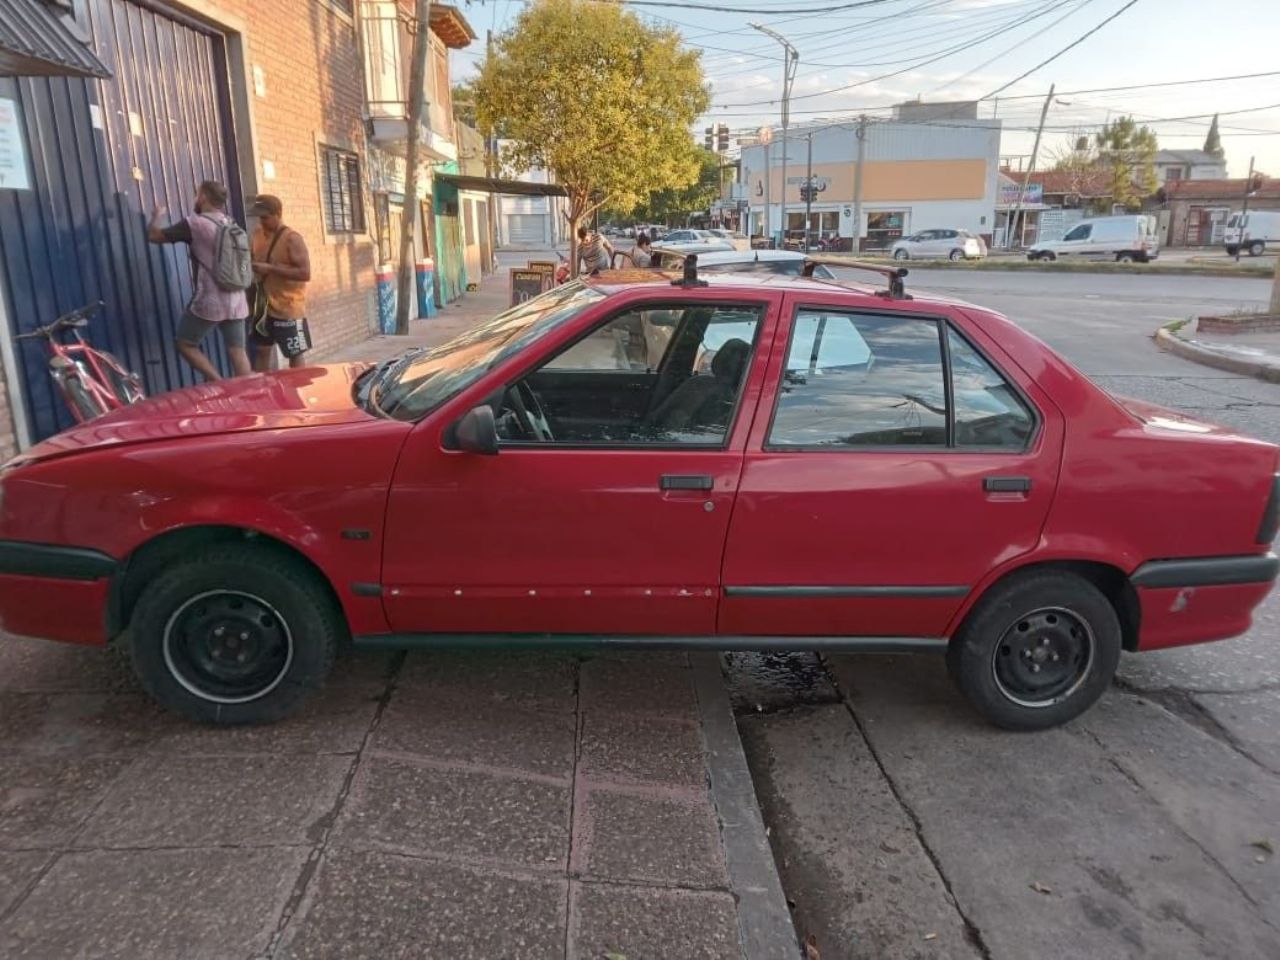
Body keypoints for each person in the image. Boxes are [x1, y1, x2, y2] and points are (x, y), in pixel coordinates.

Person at [147, 180, 251, 379]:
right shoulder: (231, 223)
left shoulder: (194, 223)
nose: (196, 198)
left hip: (210, 300)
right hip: (237, 299)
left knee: (185, 343)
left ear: (203, 197)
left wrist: (156, 217)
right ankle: (247, 397)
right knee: (238, 351)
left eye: (197, 194)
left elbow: (154, 236)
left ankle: (218, 382)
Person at [248, 195, 312, 370]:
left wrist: (270, 269)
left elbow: (305, 273)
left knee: (294, 352)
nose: (261, 221)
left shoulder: (292, 238)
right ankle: (262, 390)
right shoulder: (257, 234)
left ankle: (298, 390)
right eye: (259, 217)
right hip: (262, 304)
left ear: (278, 214)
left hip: (288, 307)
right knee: (262, 349)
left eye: (265, 217)